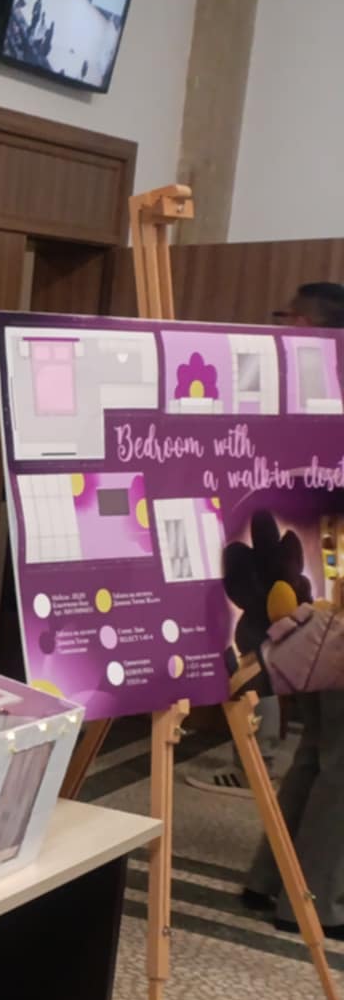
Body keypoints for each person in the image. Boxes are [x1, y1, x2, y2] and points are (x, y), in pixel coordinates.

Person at [193, 284, 344, 796]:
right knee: (319, 734)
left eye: (285, 316)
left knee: (268, 646)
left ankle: (261, 762)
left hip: (302, 562)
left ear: (302, 325)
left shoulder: (299, 388)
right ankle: (272, 770)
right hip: (295, 554)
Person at [241, 281, 344, 937]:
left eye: (285, 317)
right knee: (336, 757)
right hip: (325, 597)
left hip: (312, 599)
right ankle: (315, 903)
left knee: (322, 749)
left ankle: (272, 880)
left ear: (308, 327)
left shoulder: (298, 403)